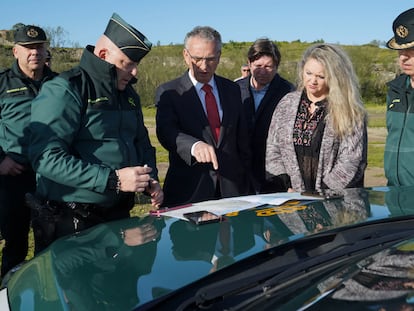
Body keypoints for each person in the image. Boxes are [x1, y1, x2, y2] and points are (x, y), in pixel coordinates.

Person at [28, 13, 163, 253]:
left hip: (119, 217)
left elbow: (141, 143)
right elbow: (45, 158)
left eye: (136, 65)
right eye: (127, 64)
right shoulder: (66, 89)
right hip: (71, 222)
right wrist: (114, 180)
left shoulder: (129, 96)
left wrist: (148, 178)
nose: (134, 73)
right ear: (103, 55)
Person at [155, 26, 253, 207]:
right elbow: (166, 132)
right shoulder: (169, 92)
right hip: (190, 191)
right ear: (186, 55)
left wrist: (249, 184)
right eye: (197, 59)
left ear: (219, 56)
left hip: (233, 191)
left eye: (210, 59)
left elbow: (242, 140)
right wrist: (193, 146)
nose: (204, 66)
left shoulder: (232, 90)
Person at [265, 43, 367, 193]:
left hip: (334, 202)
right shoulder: (287, 103)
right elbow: (273, 148)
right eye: (308, 73)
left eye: (321, 76)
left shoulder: (350, 110)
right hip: (291, 199)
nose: (312, 81)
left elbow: (351, 160)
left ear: (335, 77)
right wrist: (285, 184)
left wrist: (323, 193)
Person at [0, 24, 57, 277]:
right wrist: (0, 160)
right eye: (29, 47)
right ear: (15, 51)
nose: (35, 52)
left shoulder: (59, 84)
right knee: (15, 245)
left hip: (53, 177)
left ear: (46, 51)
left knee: (53, 244)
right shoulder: (2, 84)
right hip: (14, 177)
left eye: (39, 46)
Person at [236, 38, 294, 193]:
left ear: (276, 66)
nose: (262, 71)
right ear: (249, 64)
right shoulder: (233, 90)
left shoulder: (289, 92)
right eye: (258, 66)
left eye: (268, 67)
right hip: (240, 171)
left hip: (273, 172)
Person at [384, 8, 414, 186]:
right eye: (401, 51)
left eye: (412, 50)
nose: (404, 57)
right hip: (395, 192)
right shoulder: (395, 89)